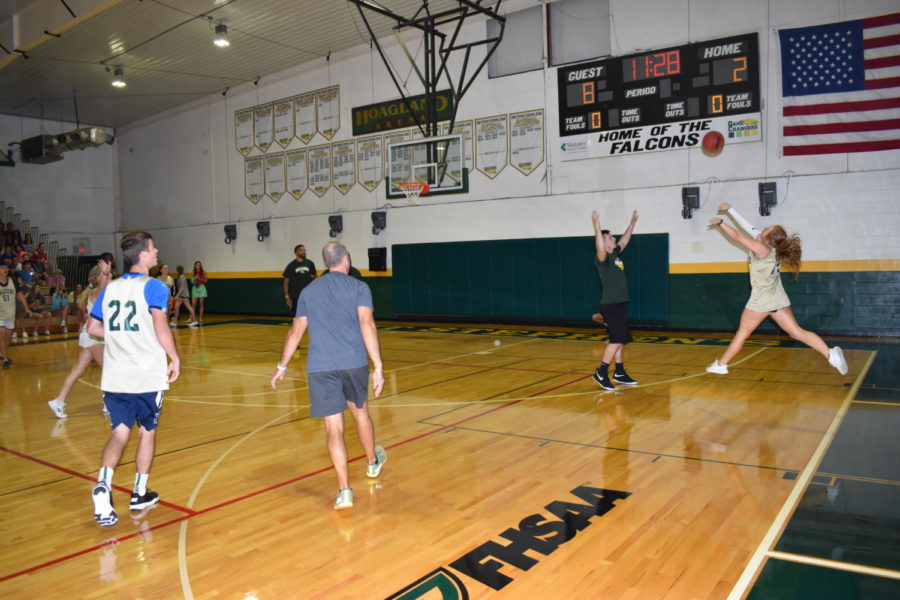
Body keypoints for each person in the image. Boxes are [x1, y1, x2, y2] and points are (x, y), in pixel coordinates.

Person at [271, 241, 386, 510]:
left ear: (325, 262)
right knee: (360, 413)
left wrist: (282, 366)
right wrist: (378, 365)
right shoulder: (359, 287)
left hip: (321, 367)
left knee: (333, 428)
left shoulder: (309, 291)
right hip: (353, 364)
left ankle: (344, 490)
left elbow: (296, 331)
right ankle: (371, 463)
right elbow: (366, 324)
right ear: (346, 259)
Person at [86, 232, 180, 527]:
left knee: (119, 433)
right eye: (153, 249)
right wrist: (174, 357)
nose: (157, 252)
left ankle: (104, 483)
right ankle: (139, 492)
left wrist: (121, 337)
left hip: (114, 375)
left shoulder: (110, 288)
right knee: (147, 433)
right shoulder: (154, 287)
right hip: (146, 375)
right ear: (142, 254)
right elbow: (161, 326)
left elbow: (93, 327)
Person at [707, 203, 848, 376]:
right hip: (777, 298)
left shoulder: (762, 249)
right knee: (797, 332)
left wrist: (721, 223)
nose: (763, 228)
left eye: (767, 229)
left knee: (742, 333)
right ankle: (831, 355)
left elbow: (737, 236)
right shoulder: (769, 246)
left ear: (768, 239)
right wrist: (730, 210)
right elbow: (747, 226)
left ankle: (721, 364)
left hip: (762, 300)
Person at [47, 261, 113, 418]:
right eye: (108, 275)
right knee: (110, 369)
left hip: (89, 335)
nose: (111, 276)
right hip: (93, 336)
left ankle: (58, 401)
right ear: (99, 277)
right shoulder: (98, 291)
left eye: (110, 274)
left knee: (79, 370)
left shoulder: (99, 292)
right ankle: (108, 404)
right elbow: (103, 286)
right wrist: (104, 273)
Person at [591, 209, 640, 390]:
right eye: (610, 237)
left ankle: (619, 372)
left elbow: (624, 241)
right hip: (611, 304)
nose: (614, 239)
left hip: (620, 303)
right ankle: (601, 373)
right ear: (603, 243)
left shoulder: (615, 254)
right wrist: (597, 226)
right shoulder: (602, 258)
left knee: (621, 339)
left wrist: (632, 224)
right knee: (616, 339)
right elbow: (599, 247)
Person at [0, 262, 32, 368]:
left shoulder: (12, 281)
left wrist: (27, 308)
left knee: (8, 338)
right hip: (0, 314)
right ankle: (5, 359)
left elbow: (20, 295)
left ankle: (3, 353)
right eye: (2, 268)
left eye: (6, 268)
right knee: (2, 336)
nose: (5, 269)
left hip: (10, 314)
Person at [282, 244, 317, 316]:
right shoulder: (291, 265)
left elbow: (315, 276)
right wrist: (287, 296)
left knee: (311, 316)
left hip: (308, 295)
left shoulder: (310, 263)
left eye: (304, 250)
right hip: (296, 296)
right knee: (297, 317)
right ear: (296, 252)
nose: (304, 252)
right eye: (301, 250)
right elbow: (286, 282)